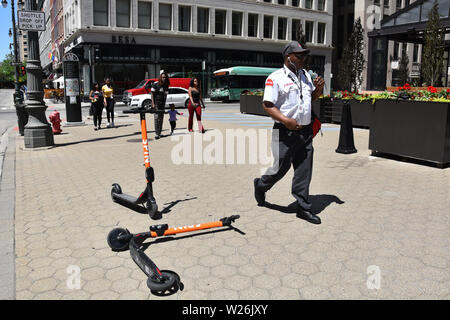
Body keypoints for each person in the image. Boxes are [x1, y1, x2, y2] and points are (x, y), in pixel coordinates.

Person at [253, 41, 325, 225]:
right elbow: (267, 105)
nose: (303, 59)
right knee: (280, 168)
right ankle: (261, 185)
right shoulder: (275, 78)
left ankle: (303, 207)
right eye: (299, 56)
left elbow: (312, 98)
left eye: (304, 56)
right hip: (284, 132)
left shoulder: (306, 76)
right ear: (288, 57)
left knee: (304, 170)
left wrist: (318, 90)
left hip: (305, 132)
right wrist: (286, 120)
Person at [151, 72, 170, 139]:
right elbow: (152, 94)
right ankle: (156, 133)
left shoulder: (166, 86)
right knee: (156, 118)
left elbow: (165, 95)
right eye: (163, 77)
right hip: (156, 104)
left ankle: (160, 132)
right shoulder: (156, 84)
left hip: (162, 104)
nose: (164, 78)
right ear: (160, 77)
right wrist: (153, 103)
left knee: (161, 119)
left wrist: (164, 105)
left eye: (165, 77)